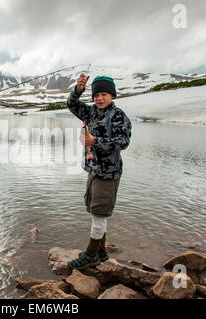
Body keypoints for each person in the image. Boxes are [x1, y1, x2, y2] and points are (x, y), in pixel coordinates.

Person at [66, 74, 132, 270]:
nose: (99, 98)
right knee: (93, 208)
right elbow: (71, 104)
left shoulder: (118, 115)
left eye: (103, 94)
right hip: (93, 170)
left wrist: (96, 141)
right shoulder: (91, 112)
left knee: (99, 213)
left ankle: (91, 255)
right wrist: (78, 90)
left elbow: (123, 142)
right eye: (96, 95)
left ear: (112, 95)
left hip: (109, 173)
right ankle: (101, 251)